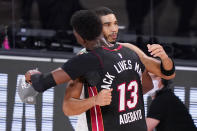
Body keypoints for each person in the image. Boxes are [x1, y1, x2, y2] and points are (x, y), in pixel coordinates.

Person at [23, 9, 175, 131]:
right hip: (94, 124)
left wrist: (164, 58)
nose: (114, 29)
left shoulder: (129, 49)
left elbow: (164, 74)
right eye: (107, 25)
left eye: (115, 23)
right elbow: (68, 107)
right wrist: (97, 100)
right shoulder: (87, 59)